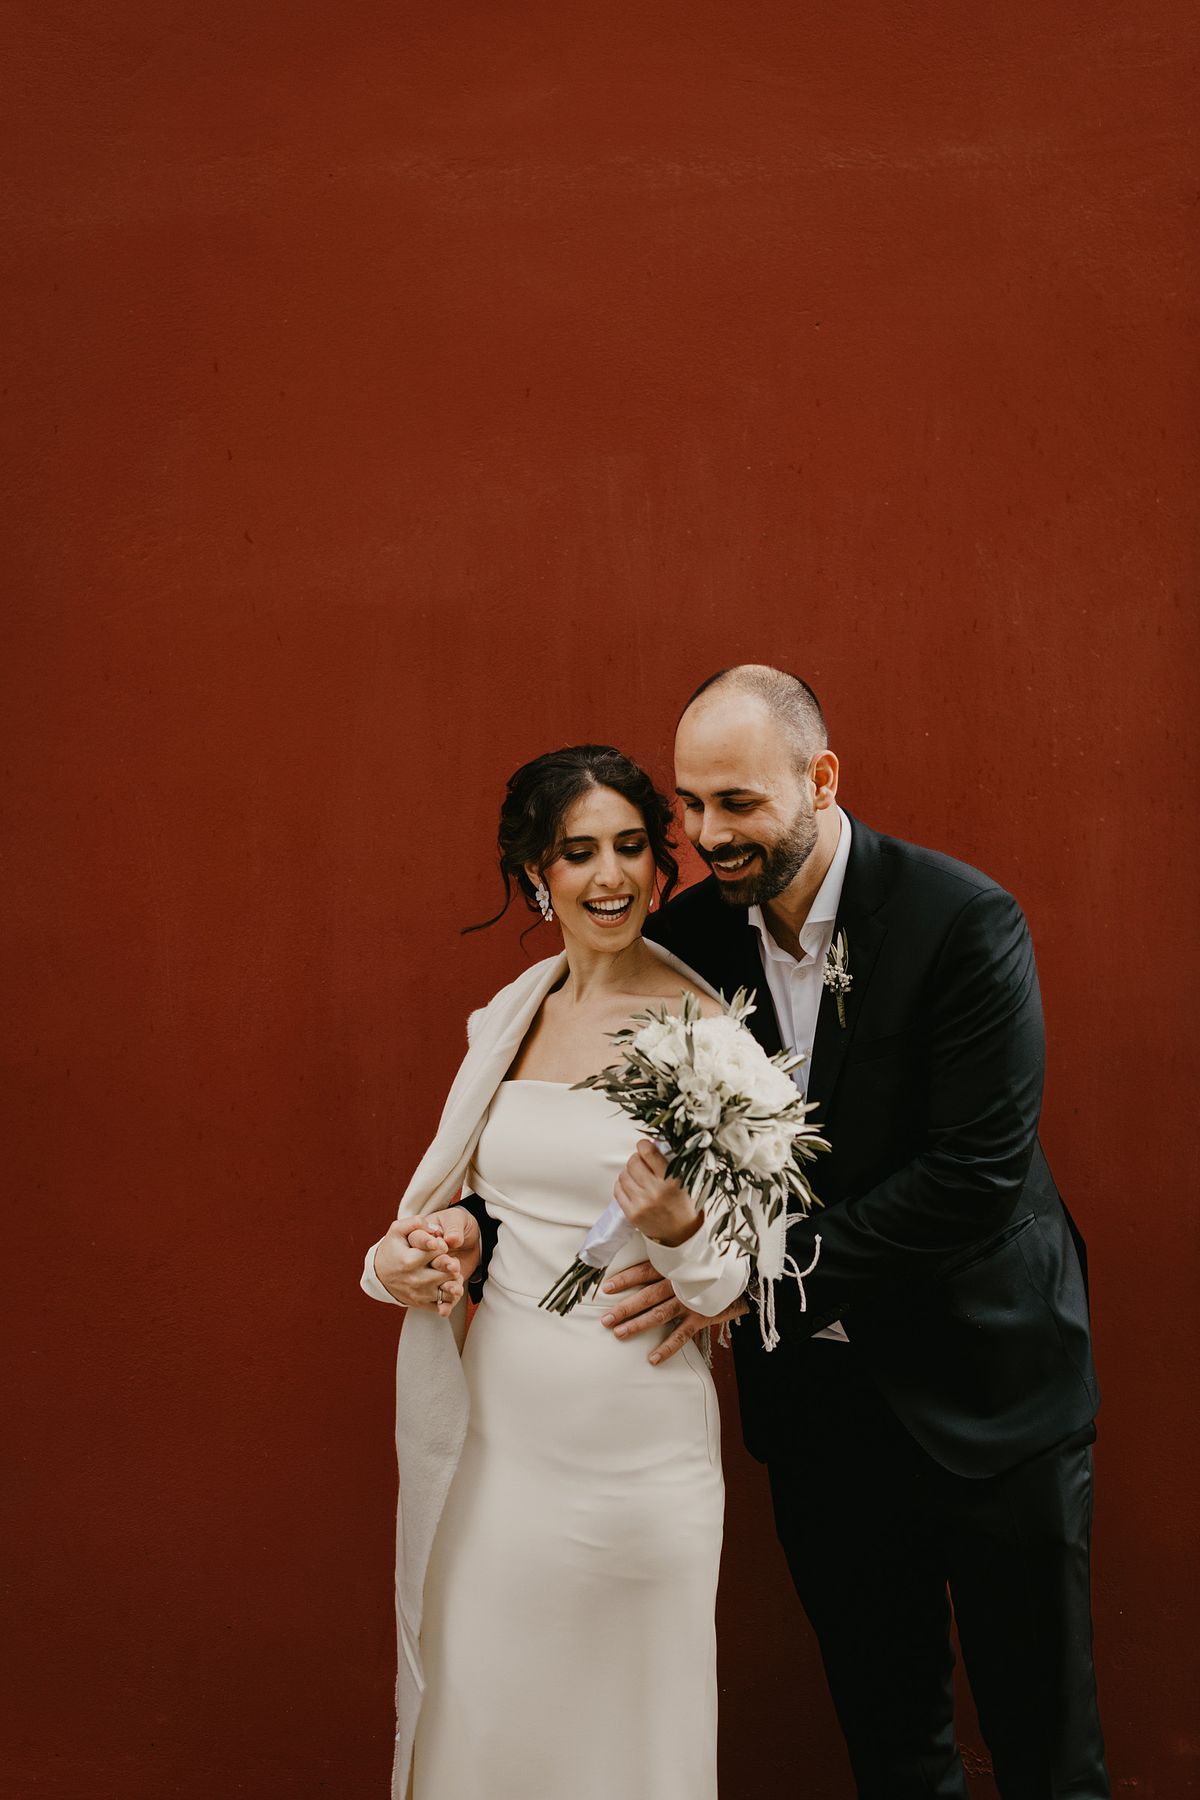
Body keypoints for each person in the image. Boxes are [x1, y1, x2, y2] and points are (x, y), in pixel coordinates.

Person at [588, 665, 1108, 1799]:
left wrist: (747, 1277)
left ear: (821, 780)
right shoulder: (691, 942)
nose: (707, 835)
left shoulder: (961, 919)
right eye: (691, 804)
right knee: (892, 1748)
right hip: (822, 1418)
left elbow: (974, 1174)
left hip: (992, 1390)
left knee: (1047, 1751)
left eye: (738, 803)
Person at [360, 744, 750, 1800]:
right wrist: (440, 1244)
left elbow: (732, 1279)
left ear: (661, 865)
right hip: (497, 1446)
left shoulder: (710, 1035)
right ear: (537, 872)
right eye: (579, 853)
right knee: (486, 1726)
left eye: (631, 847)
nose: (609, 876)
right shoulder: (508, 1016)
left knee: (625, 1742)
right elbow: (487, 1204)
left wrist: (679, 1228)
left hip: (637, 1449)